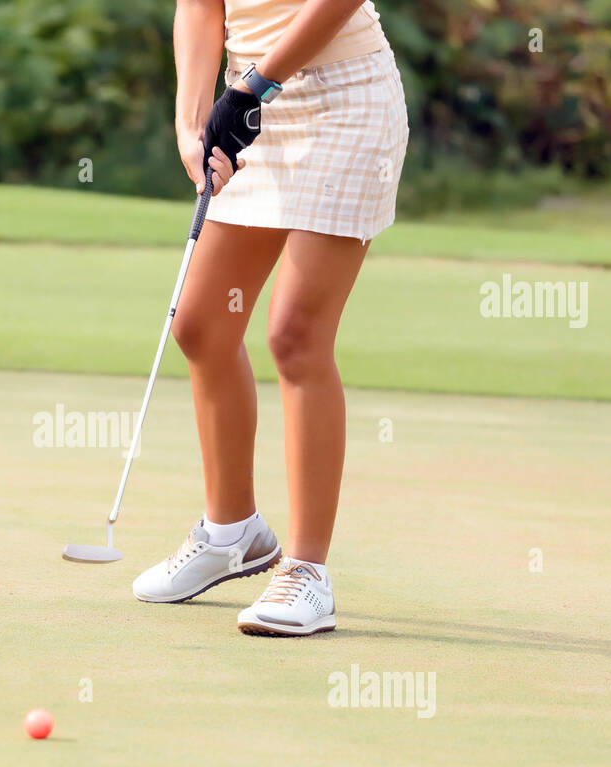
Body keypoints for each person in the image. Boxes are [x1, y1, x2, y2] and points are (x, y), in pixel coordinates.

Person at [132, 0, 408, 635]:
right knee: (201, 324)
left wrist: (257, 83)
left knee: (295, 336)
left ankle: (308, 573)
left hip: (345, 100)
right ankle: (233, 532)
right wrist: (191, 124)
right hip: (251, 104)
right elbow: (200, 8)